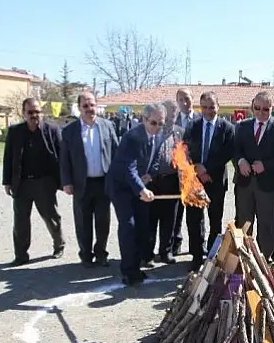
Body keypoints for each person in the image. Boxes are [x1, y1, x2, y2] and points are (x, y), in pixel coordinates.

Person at [106, 103, 165, 285]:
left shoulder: (159, 134)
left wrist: (150, 174)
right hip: (121, 187)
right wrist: (141, 189)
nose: (157, 127)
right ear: (144, 119)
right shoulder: (131, 137)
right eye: (153, 123)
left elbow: (156, 157)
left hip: (139, 184)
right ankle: (128, 271)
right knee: (129, 226)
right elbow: (128, 168)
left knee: (142, 226)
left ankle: (137, 264)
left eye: (160, 123)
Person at [3, 98, 65, 266]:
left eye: (37, 112)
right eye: (30, 112)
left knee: (51, 217)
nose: (34, 115)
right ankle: (21, 255)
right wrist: (7, 181)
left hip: (44, 182)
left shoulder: (52, 130)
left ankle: (59, 245)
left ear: (41, 113)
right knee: (21, 221)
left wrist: (63, 180)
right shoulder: (15, 131)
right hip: (21, 183)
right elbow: (8, 157)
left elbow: (61, 156)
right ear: (23, 113)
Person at [60, 92, 119, 268]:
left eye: (92, 105)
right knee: (83, 221)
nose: (89, 109)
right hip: (81, 184)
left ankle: (101, 253)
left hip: (103, 182)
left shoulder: (107, 126)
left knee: (103, 221)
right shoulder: (70, 131)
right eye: (85, 106)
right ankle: (86, 255)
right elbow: (64, 160)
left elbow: (116, 153)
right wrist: (66, 182)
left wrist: (117, 178)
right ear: (79, 108)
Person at [233, 91, 274, 258]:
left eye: (265, 109)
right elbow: (235, 150)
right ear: (252, 107)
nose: (261, 112)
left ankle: (263, 260)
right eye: (257, 108)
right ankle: (244, 258)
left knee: (266, 225)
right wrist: (240, 161)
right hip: (244, 183)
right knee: (243, 222)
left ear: (272, 108)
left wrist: (266, 166)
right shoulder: (242, 126)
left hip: (267, 185)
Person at [183, 91, 235, 270]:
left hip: (215, 180)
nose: (208, 110)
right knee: (194, 219)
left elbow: (227, 153)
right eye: (204, 107)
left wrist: (207, 168)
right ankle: (196, 255)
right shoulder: (193, 125)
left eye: (211, 107)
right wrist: (197, 167)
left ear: (218, 106)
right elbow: (185, 150)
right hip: (194, 180)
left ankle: (212, 256)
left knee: (215, 219)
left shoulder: (227, 128)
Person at [145, 100, 184, 266]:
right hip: (152, 181)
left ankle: (166, 252)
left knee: (170, 219)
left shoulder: (180, 133)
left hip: (171, 180)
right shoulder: (153, 131)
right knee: (150, 219)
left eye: (176, 114)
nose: (173, 117)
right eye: (170, 114)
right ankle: (147, 254)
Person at [172, 88, 201, 256]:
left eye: (187, 98)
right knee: (176, 212)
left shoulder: (199, 119)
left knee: (195, 212)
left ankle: (197, 246)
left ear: (192, 99)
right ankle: (175, 243)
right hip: (175, 172)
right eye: (180, 99)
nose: (184, 101)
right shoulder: (171, 120)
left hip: (193, 173)